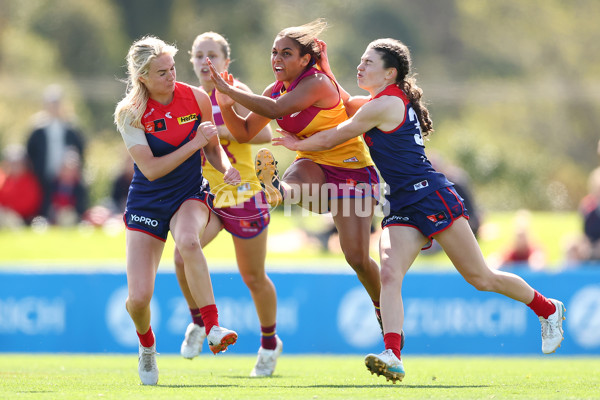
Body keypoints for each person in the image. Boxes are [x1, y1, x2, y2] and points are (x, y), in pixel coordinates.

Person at [273, 38, 566, 383]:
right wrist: (325, 65)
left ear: (390, 73)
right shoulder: (376, 102)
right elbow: (341, 100)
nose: (361, 66)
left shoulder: (383, 105)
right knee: (389, 272)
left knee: (481, 278)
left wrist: (296, 145)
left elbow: (332, 136)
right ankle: (393, 354)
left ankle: (548, 309)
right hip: (400, 202)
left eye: (369, 62)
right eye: (361, 60)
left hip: (430, 196)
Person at [208, 19, 391, 339]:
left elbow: (278, 109)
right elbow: (247, 133)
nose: (277, 59)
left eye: (286, 53)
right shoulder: (272, 90)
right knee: (298, 175)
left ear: (305, 59)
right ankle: (277, 188)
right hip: (312, 161)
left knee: (357, 258)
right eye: (274, 52)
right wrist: (227, 107)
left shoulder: (317, 83)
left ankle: (382, 306)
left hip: (351, 169)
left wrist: (229, 91)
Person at [113, 35, 241, 385]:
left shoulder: (196, 97)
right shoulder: (130, 113)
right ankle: (147, 347)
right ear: (143, 78)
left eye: (172, 69)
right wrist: (195, 143)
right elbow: (152, 169)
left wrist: (225, 164)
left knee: (187, 241)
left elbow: (214, 147)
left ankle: (212, 326)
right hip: (147, 201)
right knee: (138, 300)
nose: (172, 77)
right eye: (162, 73)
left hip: (188, 193)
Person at [174, 31, 280, 377]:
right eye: (199, 55)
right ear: (191, 62)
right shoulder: (186, 99)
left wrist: (219, 134)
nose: (206, 62)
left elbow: (265, 133)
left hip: (244, 193)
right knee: (181, 253)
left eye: (213, 55)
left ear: (225, 61)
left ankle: (268, 344)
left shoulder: (238, 92)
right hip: (207, 194)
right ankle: (199, 322)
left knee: (252, 276)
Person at [26, 84, 85, 219]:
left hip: (65, 178)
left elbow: (80, 151)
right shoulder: (37, 129)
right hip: (42, 175)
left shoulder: (71, 128)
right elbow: (30, 152)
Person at [0, 144, 42, 227]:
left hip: (24, 219)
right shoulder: (3, 178)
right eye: (12, 163)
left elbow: (29, 205)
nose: (14, 166)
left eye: (17, 163)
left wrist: (10, 211)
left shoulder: (30, 181)